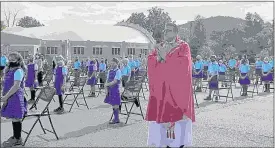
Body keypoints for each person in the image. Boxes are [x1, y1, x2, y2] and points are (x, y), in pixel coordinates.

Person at [146, 23, 195, 148]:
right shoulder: (160, 46)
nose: (165, 32)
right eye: (165, 30)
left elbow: (185, 65)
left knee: (178, 137)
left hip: (176, 92)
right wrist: (157, 59)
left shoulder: (183, 46)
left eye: (168, 30)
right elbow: (151, 60)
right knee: (162, 139)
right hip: (162, 90)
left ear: (175, 32)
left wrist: (165, 58)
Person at [1, 52, 27, 147]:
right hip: (10, 96)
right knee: (13, 117)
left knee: (16, 118)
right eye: (10, 59)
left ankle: (18, 139)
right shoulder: (9, 70)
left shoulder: (18, 71)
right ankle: (15, 136)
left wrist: (5, 97)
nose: (11, 61)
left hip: (15, 97)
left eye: (13, 59)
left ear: (18, 60)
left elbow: (16, 86)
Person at [104, 58, 122, 124]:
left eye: (114, 63)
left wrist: (107, 84)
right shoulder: (110, 71)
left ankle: (116, 118)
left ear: (117, 63)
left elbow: (115, 81)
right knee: (113, 103)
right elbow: (107, 79)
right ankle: (115, 118)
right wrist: (106, 88)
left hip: (115, 89)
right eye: (111, 63)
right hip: (110, 89)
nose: (112, 64)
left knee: (115, 104)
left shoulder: (118, 71)